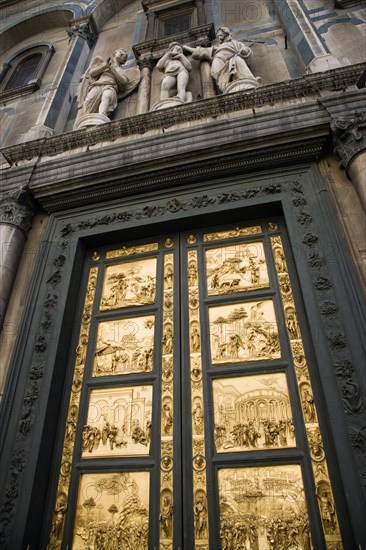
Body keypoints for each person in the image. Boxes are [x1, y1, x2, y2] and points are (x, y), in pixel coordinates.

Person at [184, 27, 260, 93]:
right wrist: (186, 47)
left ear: (225, 33)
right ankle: (226, 87)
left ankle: (248, 79)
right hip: (219, 60)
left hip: (232, 59)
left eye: (220, 34)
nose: (218, 36)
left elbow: (246, 49)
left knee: (238, 60)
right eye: (218, 35)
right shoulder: (218, 48)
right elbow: (200, 51)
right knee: (220, 76)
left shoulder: (235, 43)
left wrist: (244, 50)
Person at [76, 48, 139, 119]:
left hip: (110, 86)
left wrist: (112, 69)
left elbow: (124, 81)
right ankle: (88, 118)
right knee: (88, 103)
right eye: (120, 52)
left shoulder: (121, 70)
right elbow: (92, 73)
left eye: (125, 56)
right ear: (114, 53)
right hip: (98, 85)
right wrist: (104, 66)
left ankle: (102, 115)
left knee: (107, 96)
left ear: (124, 61)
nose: (122, 54)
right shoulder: (103, 64)